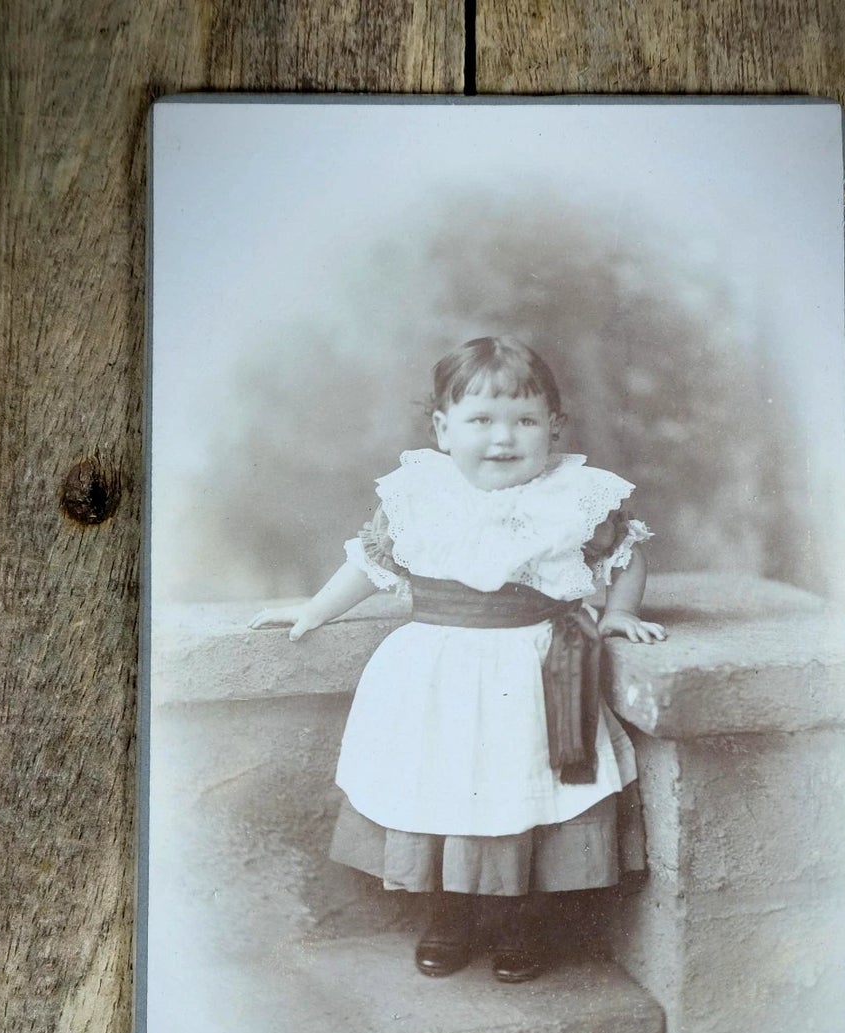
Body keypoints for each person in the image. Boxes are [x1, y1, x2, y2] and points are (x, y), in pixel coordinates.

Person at [249, 337, 665, 983]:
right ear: (444, 430)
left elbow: (625, 554)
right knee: (442, 791)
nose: (502, 438)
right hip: (437, 675)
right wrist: (312, 611)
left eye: (524, 421)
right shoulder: (419, 493)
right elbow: (371, 562)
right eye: (480, 421)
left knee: (527, 793)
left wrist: (618, 613)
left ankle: (523, 923)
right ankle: (447, 916)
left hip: (534, 672)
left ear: (553, 427)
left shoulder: (574, 496)